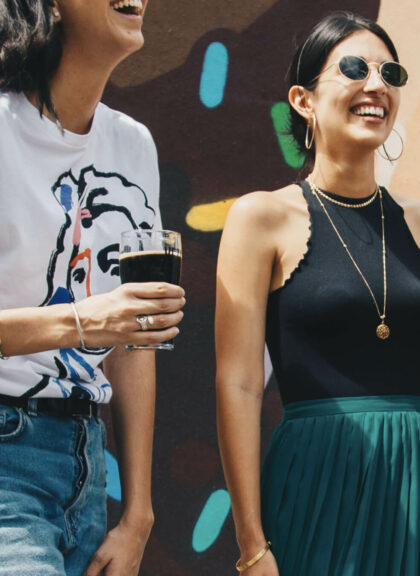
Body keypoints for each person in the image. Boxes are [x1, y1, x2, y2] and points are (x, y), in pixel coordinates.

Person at [215, 12, 420, 576]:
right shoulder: (260, 217)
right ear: (303, 99)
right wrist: (252, 546)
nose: (377, 85)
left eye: (389, 72)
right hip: (316, 477)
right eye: (353, 68)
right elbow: (239, 385)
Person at [0, 0, 187, 575]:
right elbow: (107, 320)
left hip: (88, 464)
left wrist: (137, 516)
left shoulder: (133, 145)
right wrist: (84, 320)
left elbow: (135, 342)